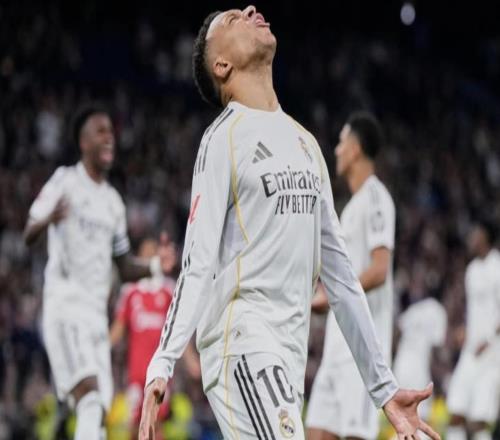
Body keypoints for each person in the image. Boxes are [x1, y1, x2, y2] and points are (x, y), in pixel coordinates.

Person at [140, 6, 440, 440]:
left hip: (288, 356)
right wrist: (163, 362)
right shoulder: (223, 138)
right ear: (221, 66)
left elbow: (341, 279)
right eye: (233, 19)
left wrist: (384, 389)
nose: (250, 10)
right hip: (241, 341)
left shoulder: (306, 143)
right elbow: (197, 262)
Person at [24, 105, 167, 440]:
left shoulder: (114, 203)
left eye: (111, 133)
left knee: (99, 412)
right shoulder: (65, 181)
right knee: (89, 400)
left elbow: (124, 265)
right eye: (100, 132)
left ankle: (64, 420)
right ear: (83, 141)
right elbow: (29, 232)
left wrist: (156, 265)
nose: (109, 138)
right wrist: (48, 219)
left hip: (95, 320)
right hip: (66, 307)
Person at [305, 112, 396, 440]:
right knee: (315, 432)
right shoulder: (351, 207)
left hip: (361, 353)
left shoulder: (376, 197)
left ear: (356, 149)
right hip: (335, 347)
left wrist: (331, 297)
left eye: (342, 143)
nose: (337, 150)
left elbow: (380, 269)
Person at [110, 236, 201, 439]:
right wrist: (99, 349)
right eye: (146, 253)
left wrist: (191, 359)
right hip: (135, 374)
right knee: (134, 424)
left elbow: (179, 328)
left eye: (154, 252)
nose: (151, 256)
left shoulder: (169, 290)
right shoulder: (130, 292)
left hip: (161, 373)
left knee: (157, 421)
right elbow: (118, 328)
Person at [446, 222, 500, 440]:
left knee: (479, 420)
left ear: (485, 236)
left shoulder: (497, 267)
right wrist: (465, 330)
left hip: (492, 353)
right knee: (455, 413)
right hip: (470, 351)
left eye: (475, 234)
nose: (471, 239)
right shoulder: (472, 270)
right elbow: (473, 311)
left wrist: (488, 339)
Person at [392, 293, 448, 422]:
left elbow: (397, 332)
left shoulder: (414, 309)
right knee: (419, 418)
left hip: (400, 366)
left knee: (399, 417)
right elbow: (437, 350)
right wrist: (439, 384)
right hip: (419, 369)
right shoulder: (437, 310)